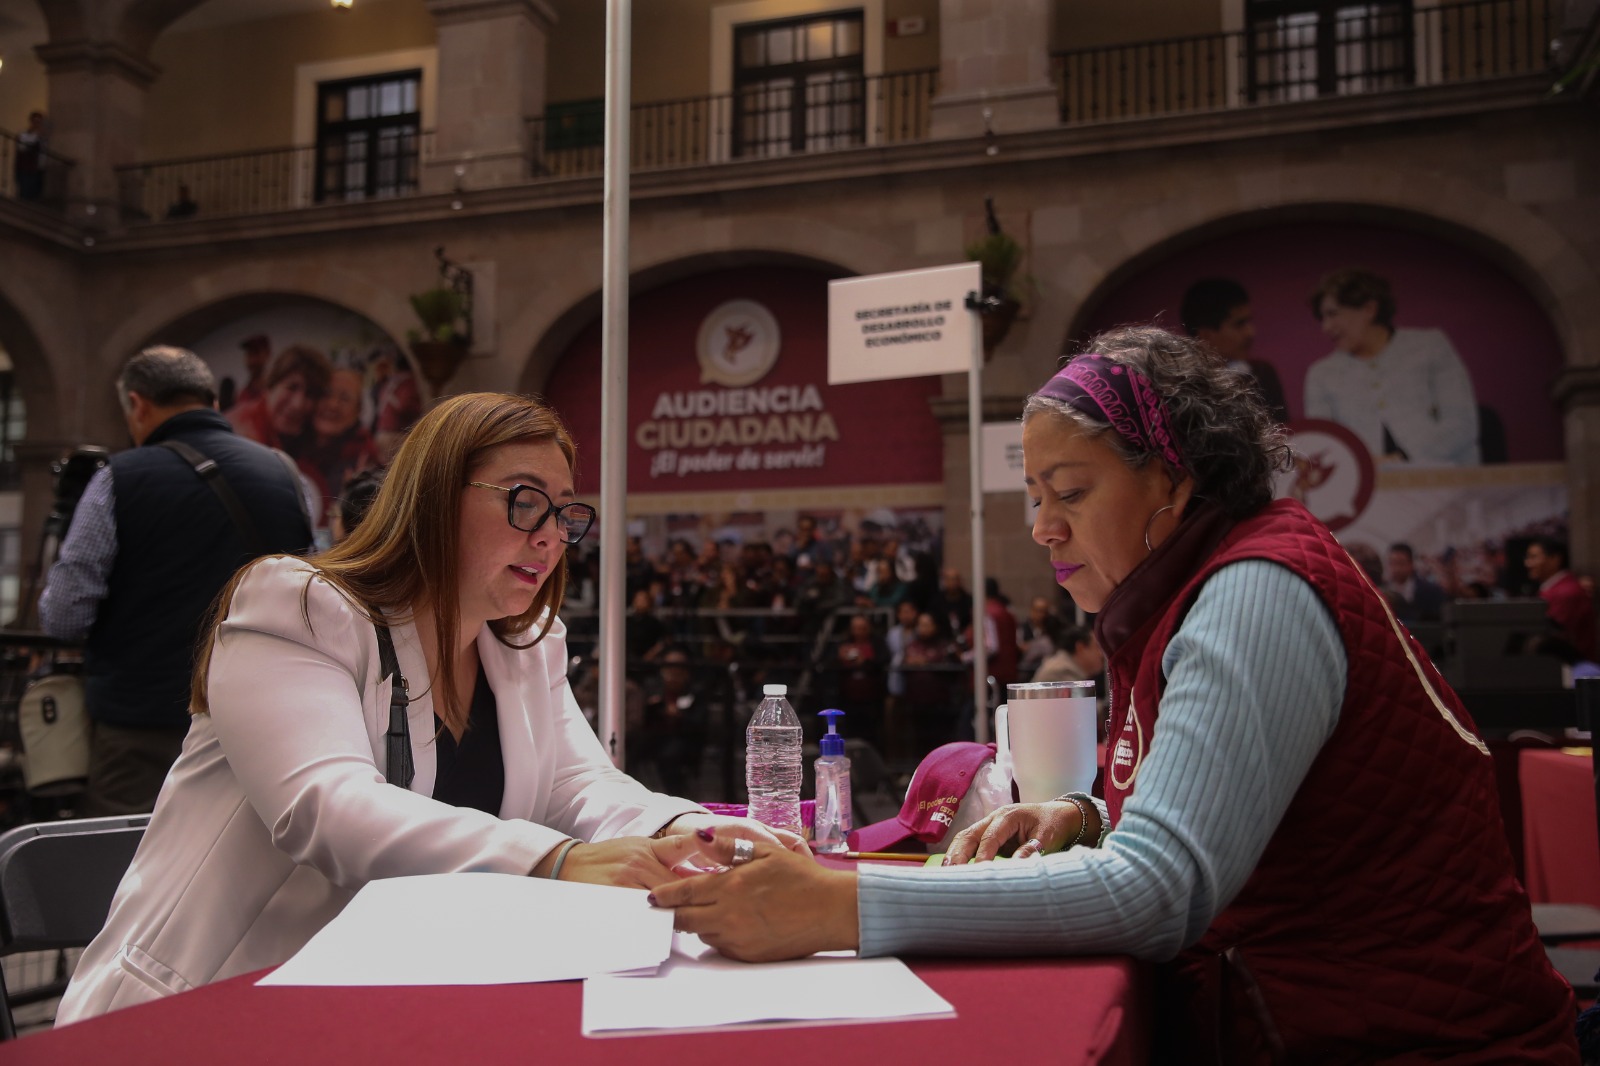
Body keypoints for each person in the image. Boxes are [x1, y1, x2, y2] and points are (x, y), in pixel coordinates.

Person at [653, 327, 1577, 1062]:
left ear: (1175, 478)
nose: (1043, 524)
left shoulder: (1254, 593)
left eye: (1071, 489)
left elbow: (1158, 891)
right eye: (1033, 493)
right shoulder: (1192, 585)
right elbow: (1252, 804)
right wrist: (1089, 812)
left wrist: (838, 906)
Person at [56, 392, 801, 1025]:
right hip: (199, 1012)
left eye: (565, 513)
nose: (548, 535)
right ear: (433, 498)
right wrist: (557, 859)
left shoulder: (525, 643)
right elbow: (327, 808)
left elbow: (581, 786)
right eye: (524, 501)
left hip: (381, 1006)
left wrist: (696, 832)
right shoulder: (298, 604)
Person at [37, 347, 312, 816]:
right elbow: (310, 587)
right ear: (212, 402)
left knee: (123, 863)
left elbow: (64, 615)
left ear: (138, 405)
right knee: (244, 864)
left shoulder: (116, 480)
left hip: (140, 725)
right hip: (257, 722)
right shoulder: (285, 474)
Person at [1303, 267, 1480, 465]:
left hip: (1446, 477)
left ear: (1369, 309)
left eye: (1333, 314)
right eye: (1323, 318)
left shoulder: (1430, 346)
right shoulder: (1322, 373)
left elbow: (1461, 424)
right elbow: (1325, 444)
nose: (1326, 327)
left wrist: (1402, 459)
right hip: (1367, 487)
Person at [1179, 277, 1289, 423]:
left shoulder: (1262, 373)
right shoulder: (1184, 389)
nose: (1251, 332)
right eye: (1239, 324)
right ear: (1205, 335)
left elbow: (1283, 434)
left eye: (1249, 322)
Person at [228, 343, 333, 451]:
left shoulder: (296, 436)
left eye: (310, 394)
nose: (298, 404)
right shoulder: (244, 436)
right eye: (291, 388)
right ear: (270, 386)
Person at [1526, 536, 1597, 661]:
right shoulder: (1555, 588)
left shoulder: (1566, 592)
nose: (1527, 563)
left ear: (1554, 559)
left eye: (1534, 557)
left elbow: (1551, 640)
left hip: (1572, 671)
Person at [1385, 541, 1446, 624]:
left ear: (1411, 564)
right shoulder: (1382, 592)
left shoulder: (1430, 591)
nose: (1396, 568)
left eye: (1401, 563)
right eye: (1393, 563)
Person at [13, 111, 46, 201]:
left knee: (34, 189)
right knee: (24, 187)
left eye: (39, 122)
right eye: (35, 121)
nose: (36, 124)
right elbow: (22, 147)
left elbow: (43, 150)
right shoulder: (23, 134)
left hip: (36, 166)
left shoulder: (41, 136)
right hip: (25, 165)